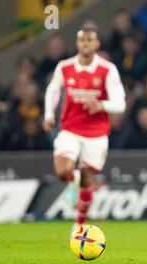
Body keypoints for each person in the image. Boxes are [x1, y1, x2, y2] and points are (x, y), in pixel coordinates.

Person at [43, 27, 126, 232]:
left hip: (97, 133)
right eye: (82, 40)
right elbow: (53, 90)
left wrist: (102, 105)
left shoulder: (107, 69)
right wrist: (48, 115)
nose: (86, 44)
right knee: (63, 171)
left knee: (88, 179)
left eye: (90, 40)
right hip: (70, 128)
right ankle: (74, 178)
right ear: (77, 43)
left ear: (97, 44)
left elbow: (120, 103)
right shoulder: (65, 67)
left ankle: (79, 224)